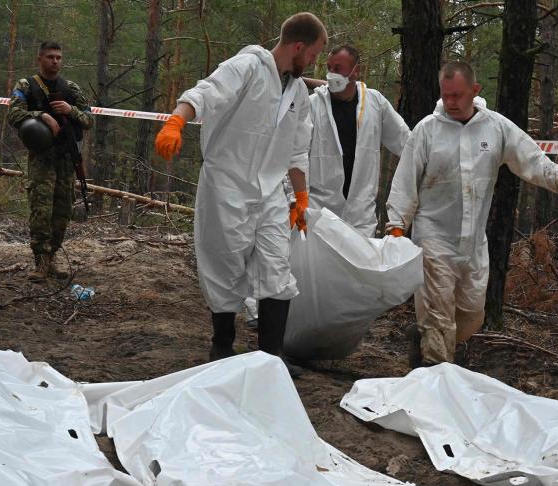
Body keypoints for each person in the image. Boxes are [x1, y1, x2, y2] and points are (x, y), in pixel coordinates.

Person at [154, 12, 326, 376]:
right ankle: (222, 347)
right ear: (298, 47)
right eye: (312, 55)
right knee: (225, 263)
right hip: (228, 184)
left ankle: (271, 357)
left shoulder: (297, 91)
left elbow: (298, 150)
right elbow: (206, 92)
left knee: (277, 265)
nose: (313, 63)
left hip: (270, 192)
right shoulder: (247, 67)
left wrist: (301, 197)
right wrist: (177, 120)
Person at [386, 62, 558, 367]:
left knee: (471, 316)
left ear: (475, 91)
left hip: (473, 245)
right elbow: (404, 181)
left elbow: (530, 157)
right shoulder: (427, 130)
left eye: (458, 95)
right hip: (434, 238)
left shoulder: (496, 128)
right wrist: (397, 225)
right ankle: (435, 381)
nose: (451, 102)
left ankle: (425, 337)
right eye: (446, 95)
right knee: (439, 317)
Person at [7, 41, 93, 281]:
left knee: (62, 210)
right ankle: (40, 262)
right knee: (41, 209)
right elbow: (13, 114)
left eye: (58, 57)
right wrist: (41, 115)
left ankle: (53, 256)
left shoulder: (70, 88)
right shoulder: (26, 85)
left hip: (65, 159)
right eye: (50, 57)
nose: (55, 61)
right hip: (42, 159)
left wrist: (69, 110)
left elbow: (88, 119)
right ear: (40, 59)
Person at [307, 45, 410, 236]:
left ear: (356, 71)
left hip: (361, 215)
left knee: (358, 265)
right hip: (318, 212)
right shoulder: (313, 105)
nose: (331, 74)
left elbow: (406, 143)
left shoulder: (375, 103)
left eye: (338, 68)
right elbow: (295, 155)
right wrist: (295, 199)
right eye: (329, 68)